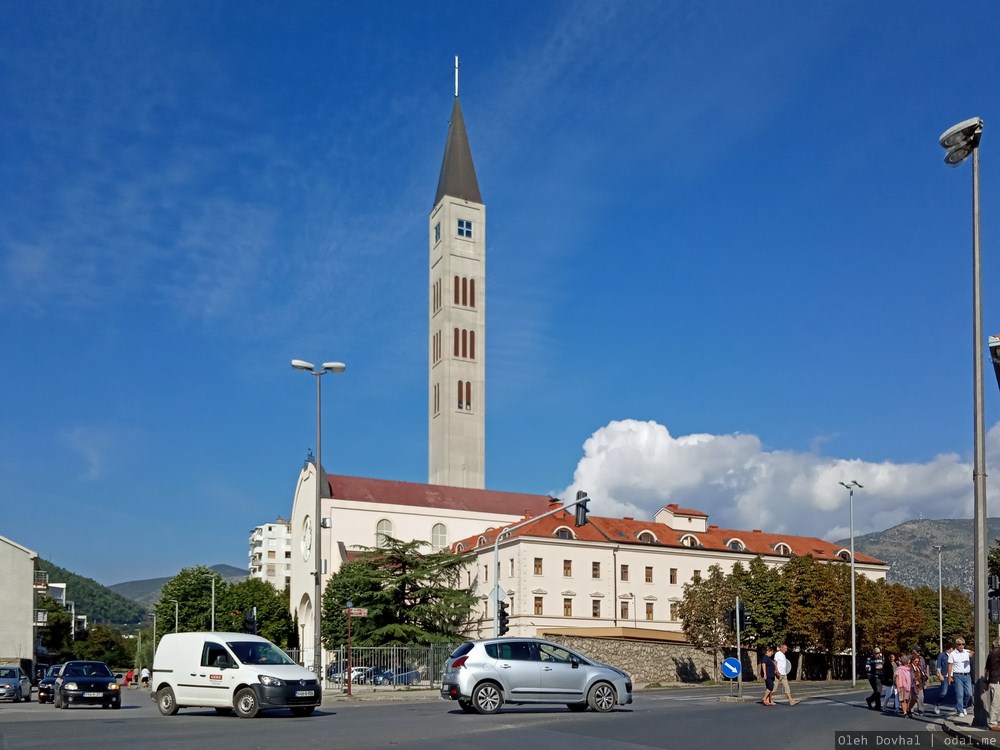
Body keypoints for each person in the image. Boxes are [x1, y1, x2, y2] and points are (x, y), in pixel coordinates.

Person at [949, 637, 974, 717]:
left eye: (963, 644)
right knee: (960, 694)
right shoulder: (952, 654)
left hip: (967, 675)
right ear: (956, 645)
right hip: (957, 675)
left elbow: (975, 653)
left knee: (969, 693)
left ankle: (964, 706)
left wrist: (973, 655)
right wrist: (950, 676)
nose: (961, 646)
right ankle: (960, 710)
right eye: (959, 644)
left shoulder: (967, 652)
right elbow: (950, 665)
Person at [985, 639, 1000, 731]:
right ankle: (993, 723)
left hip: (993, 680)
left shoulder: (991, 653)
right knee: (996, 703)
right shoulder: (998, 653)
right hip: (997, 681)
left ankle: (996, 722)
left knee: (997, 702)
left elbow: (986, 669)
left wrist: (986, 682)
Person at [935, 645, 953, 715]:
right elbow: (938, 665)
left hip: (953, 676)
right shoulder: (942, 655)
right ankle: (938, 704)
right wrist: (940, 674)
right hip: (945, 676)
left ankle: (961, 708)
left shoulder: (954, 655)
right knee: (944, 692)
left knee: (959, 692)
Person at [911, 647, 928, 715]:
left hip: (920, 682)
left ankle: (921, 709)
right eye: (917, 651)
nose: (919, 652)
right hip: (912, 683)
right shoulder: (910, 665)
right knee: (912, 697)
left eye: (919, 651)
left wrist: (927, 679)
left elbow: (924, 669)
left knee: (921, 696)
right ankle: (910, 709)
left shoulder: (921, 660)